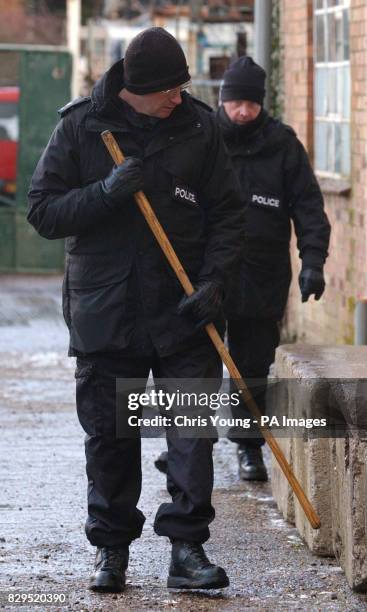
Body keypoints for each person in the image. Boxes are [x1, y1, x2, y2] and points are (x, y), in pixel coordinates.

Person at [27, 28, 244, 592]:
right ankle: (112, 550)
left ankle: (188, 550)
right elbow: (44, 212)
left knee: (191, 434)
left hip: (183, 310)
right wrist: (105, 193)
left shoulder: (200, 128)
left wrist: (215, 281)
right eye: (169, 88)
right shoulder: (81, 127)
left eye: (182, 85)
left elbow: (228, 213)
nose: (179, 96)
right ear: (137, 88)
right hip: (108, 311)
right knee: (110, 437)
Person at [217, 56, 331, 480]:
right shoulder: (203, 137)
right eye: (236, 103)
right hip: (207, 267)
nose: (244, 111)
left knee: (251, 364)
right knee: (195, 361)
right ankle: (185, 445)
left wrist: (313, 261)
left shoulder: (282, 144)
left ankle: (248, 446)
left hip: (262, 271)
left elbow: (308, 206)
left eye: (251, 103)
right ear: (223, 101)